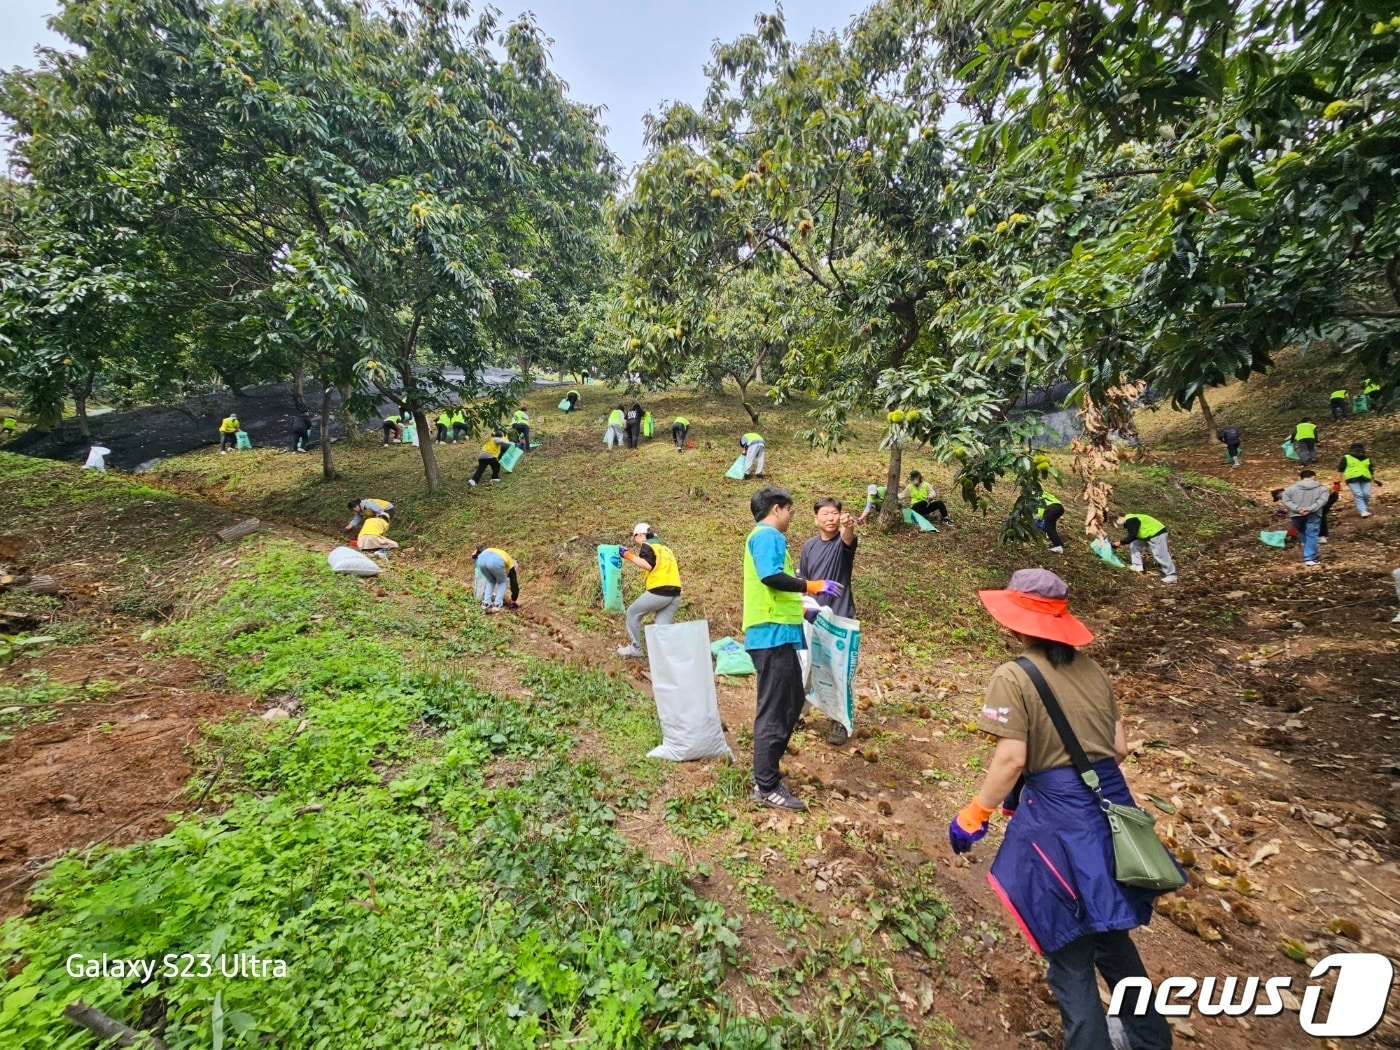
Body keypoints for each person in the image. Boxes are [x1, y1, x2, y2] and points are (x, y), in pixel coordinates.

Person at [949, 568, 1176, 1050]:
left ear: (1017, 622)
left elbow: (1012, 758)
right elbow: (1119, 747)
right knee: (1110, 934)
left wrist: (974, 815)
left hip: (1059, 822)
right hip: (1111, 812)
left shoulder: (1014, 675)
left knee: (1068, 946)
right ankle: (1149, 1038)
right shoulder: (1094, 671)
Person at [743, 487, 843, 811]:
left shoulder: (765, 538)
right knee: (776, 709)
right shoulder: (768, 535)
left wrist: (803, 606)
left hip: (779, 631)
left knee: (791, 701)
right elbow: (771, 577)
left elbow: (774, 587)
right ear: (777, 509)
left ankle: (765, 777)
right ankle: (766, 785)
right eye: (790, 511)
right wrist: (809, 586)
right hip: (771, 635)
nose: (790, 518)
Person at [797, 497, 859, 746]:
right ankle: (798, 714)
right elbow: (802, 582)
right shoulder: (809, 546)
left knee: (839, 672)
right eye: (825, 514)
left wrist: (849, 526)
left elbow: (848, 536)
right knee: (806, 667)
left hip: (840, 616)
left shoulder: (842, 544)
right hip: (813, 615)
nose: (830, 518)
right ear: (816, 519)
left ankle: (839, 722)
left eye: (835, 513)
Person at [616, 523, 682, 658]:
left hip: (659, 590)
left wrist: (627, 555)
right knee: (662, 628)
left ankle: (635, 649)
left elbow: (647, 565)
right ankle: (665, 658)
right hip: (675, 593)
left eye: (635, 537)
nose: (636, 541)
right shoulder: (665, 548)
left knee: (632, 613)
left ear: (640, 535)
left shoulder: (648, 545)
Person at [1281, 469, 1330, 567]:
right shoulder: (1322, 489)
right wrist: (1310, 509)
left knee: (1301, 531)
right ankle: (1310, 557)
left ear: (1301, 477)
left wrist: (1298, 509)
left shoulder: (1290, 489)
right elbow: (1323, 501)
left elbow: (1286, 500)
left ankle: (1309, 550)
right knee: (1312, 534)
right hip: (1314, 513)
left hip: (1295, 514)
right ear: (1313, 477)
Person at [1113, 512, 1176, 583]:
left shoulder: (1130, 519)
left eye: (1116, 519)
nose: (1117, 522)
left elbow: (1132, 535)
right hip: (1147, 534)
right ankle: (1137, 565)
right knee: (1134, 545)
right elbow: (1135, 535)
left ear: (1121, 517)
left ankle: (1171, 575)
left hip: (1156, 533)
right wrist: (1121, 542)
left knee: (1160, 554)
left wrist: (1120, 542)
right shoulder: (1131, 519)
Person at [471, 545, 519, 612]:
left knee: (491, 581)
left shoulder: (502, 555)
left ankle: (486, 603)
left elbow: (477, 551)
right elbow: (514, 584)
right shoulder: (511, 565)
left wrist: (474, 555)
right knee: (502, 582)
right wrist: (514, 599)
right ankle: (497, 604)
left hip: (481, 560)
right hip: (495, 560)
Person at [1339, 442, 1379, 518]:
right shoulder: (1346, 458)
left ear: (1362, 451)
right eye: (1356, 451)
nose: (1358, 452)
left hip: (1366, 478)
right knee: (1358, 494)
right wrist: (1338, 480)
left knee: (1366, 494)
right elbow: (1340, 469)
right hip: (1352, 478)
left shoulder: (1367, 458)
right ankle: (1362, 510)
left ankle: (1363, 508)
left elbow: (1371, 470)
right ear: (1352, 451)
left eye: (1359, 451)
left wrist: (1375, 479)